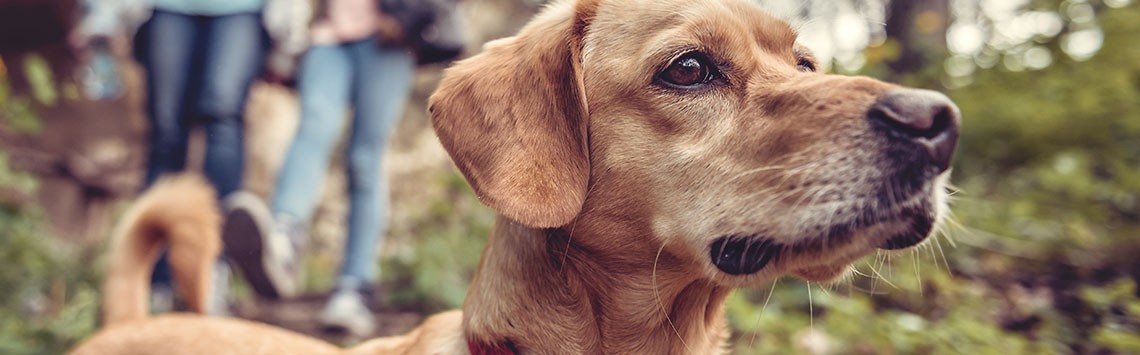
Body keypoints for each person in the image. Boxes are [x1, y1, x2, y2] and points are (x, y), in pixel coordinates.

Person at [72, 0, 308, 314]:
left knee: (223, 117)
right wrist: (101, 15)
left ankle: (213, 274)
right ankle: (155, 284)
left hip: (241, 9)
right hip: (167, 7)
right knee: (166, 135)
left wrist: (290, 27)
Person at [222, 0, 417, 336]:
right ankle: (283, 241)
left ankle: (354, 288)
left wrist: (407, 18)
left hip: (389, 37)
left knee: (364, 159)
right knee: (314, 127)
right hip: (328, 36)